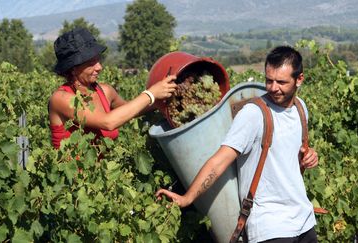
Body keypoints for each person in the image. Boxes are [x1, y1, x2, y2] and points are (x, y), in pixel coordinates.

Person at [156, 46, 319, 243]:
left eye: (281, 82)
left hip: (304, 220)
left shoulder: (301, 109)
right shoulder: (253, 114)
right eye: (269, 80)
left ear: (299, 79)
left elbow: (286, 157)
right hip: (271, 227)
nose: (273, 87)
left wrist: (308, 156)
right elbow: (220, 160)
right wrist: (187, 197)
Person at [48, 28, 177, 149]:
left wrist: (161, 99)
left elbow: (130, 110)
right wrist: (150, 94)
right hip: (73, 173)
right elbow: (108, 123)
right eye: (91, 63)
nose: (99, 67)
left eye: (98, 60)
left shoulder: (105, 91)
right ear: (73, 68)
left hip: (106, 172)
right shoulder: (61, 99)